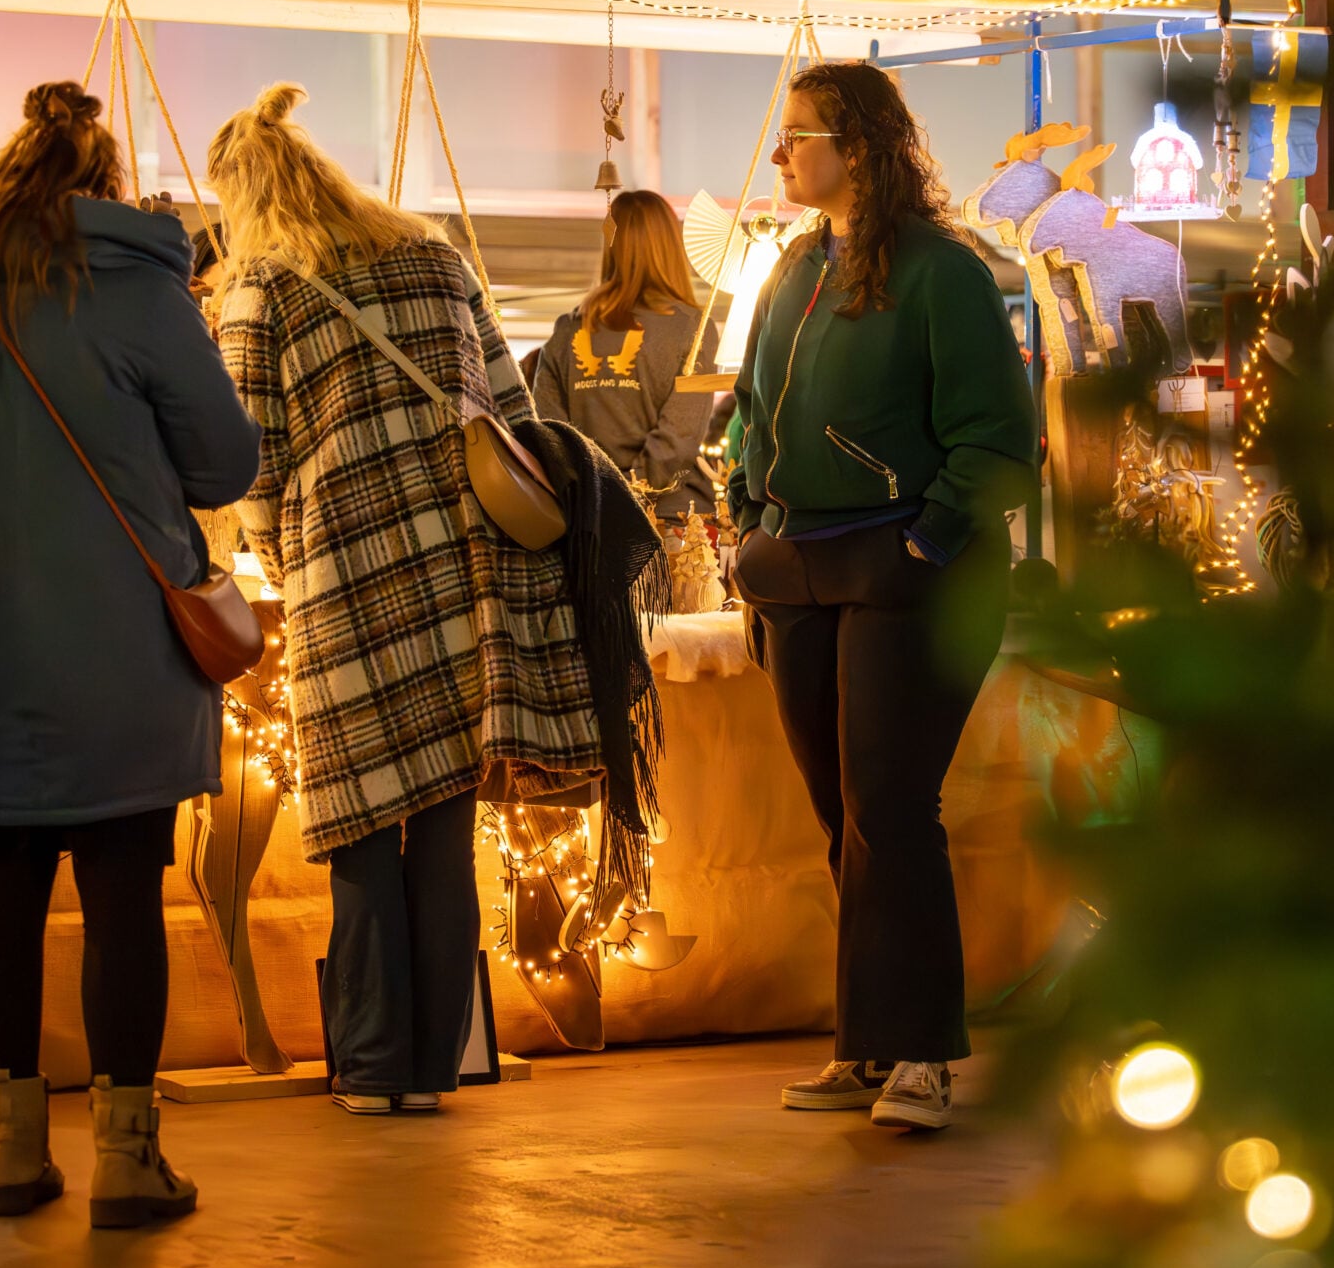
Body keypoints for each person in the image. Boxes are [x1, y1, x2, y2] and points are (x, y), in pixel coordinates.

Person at [0, 82, 258, 1227]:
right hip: (117, 643)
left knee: (4, 884)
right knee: (125, 888)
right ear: (108, 188)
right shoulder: (140, 289)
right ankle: (129, 1161)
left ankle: (11, 1151)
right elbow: (225, 464)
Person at [210, 83, 603, 1114]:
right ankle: (433, 1066)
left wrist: (271, 559)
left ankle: (374, 1065)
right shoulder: (436, 258)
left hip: (345, 572)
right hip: (467, 573)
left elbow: (252, 458)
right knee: (435, 824)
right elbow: (514, 411)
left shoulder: (260, 289)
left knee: (354, 827)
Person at [726, 61, 1036, 1132]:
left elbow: (999, 439)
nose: (784, 154)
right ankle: (867, 1045)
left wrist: (925, 544)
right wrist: (743, 521)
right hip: (799, 573)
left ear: (858, 146)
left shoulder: (940, 271)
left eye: (799, 135)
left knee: (889, 812)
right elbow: (748, 411)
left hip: (906, 572)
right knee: (842, 819)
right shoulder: (792, 269)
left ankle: (919, 1058)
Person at [530, 188, 722, 520]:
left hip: (589, 523)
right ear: (670, 246)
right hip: (674, 522)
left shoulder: (568, 330)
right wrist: (632, 496)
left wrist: (595, 501)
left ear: (611, 245)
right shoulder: (693, 327)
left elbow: (552, 434)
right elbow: (680, 437)